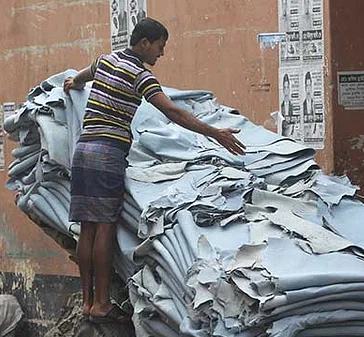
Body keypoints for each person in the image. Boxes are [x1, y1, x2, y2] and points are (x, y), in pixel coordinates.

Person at [63, 18, 245, 321]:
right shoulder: (140, 76)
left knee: (87, 228)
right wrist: (216, 134)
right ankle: (103, 303)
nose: (161, 54)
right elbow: (173, 112)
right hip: (108, 154)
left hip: (83, 151)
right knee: (105, 227)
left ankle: (87, 302)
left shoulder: (106, 61)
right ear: (144, 43)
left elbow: (82, 76)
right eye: (160, 47)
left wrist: (73, 84)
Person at [280, 73, 294, 137]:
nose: (286, 90)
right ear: (282, 89)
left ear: (289, 89)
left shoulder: (292, 106)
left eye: (287, 87)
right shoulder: (280, 106)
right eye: (284, 87)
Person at [302, 71, 315, 138]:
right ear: (305, 87)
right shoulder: (303, 105)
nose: (308, 88)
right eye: (307, 86)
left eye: (310, 85)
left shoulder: (314, 104)